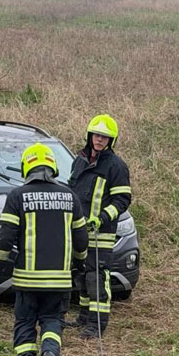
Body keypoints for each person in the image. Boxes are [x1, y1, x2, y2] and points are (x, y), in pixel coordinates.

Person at [0, 142, 88, 356]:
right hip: (59, 280)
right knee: (53, 319)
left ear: (27, 167)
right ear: (53, 167)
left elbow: (5, 238)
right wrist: (80, 263)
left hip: (27, 280)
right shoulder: (70, 197)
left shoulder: (17, 196)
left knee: (25, 320)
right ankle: (50, 352)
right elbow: (81, 239)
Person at [67, 114, 131, 337]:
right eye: (96, 135)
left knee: (97, 277)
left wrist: (102, 218)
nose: (99, 139)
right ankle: (84, 317)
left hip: (100, 232)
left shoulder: (116, 166)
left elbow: (122, 200)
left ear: (111, 140)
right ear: (89, 136)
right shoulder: (80, 160)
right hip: (78, 230)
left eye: (105, 137)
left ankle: (96, 324)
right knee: (82, 275)